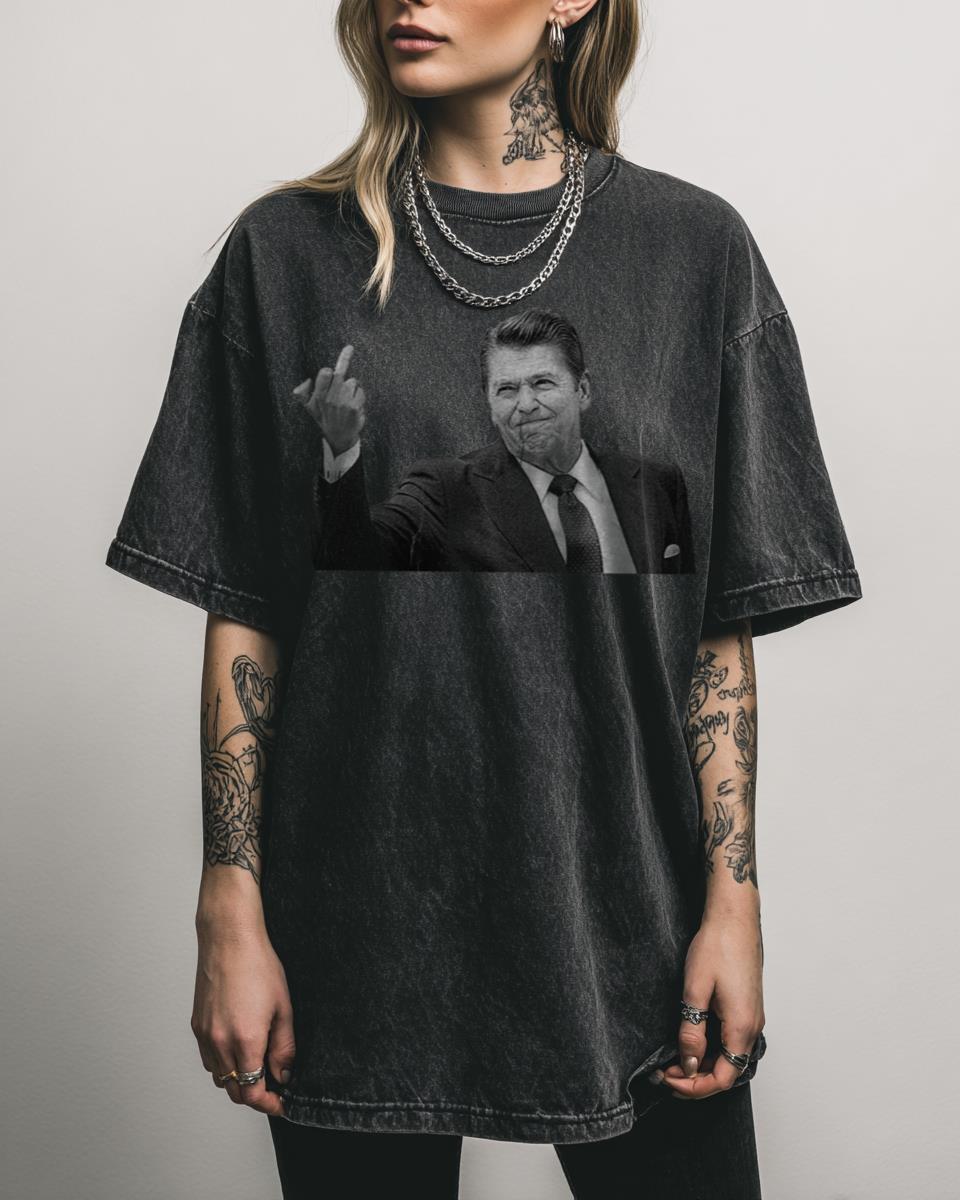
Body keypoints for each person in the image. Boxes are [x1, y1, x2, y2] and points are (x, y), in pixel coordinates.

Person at [104, 1, 864, 1196]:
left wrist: (734, 901)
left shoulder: (694, 254)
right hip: (356, 925)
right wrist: (229, 904)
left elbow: (714, 634)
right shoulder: (286, 255)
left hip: (633, 920)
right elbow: (248, 606)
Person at [308, 311, 695, 573]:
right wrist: (341, 447)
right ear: (490, 404)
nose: (525, 404)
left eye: (542, 383)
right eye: (506, 389)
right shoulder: (445, 489)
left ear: (583, 390)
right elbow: (355, 560)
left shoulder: (657, 483)